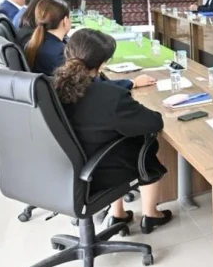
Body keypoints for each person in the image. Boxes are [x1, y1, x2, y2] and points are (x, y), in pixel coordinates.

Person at [54, 29, 172, 234]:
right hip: (100, 171)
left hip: (66, 167)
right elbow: (153, 123)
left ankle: (118, 213)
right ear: (101, 65)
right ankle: (150, 214)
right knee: (145, 141)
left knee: (109, 137)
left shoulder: (52, 87)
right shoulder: (110, 97)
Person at [24, 0, 155, 90]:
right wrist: (133, 82)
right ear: (65, 21)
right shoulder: (59, 52)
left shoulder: (36, 43)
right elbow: (91, 86)